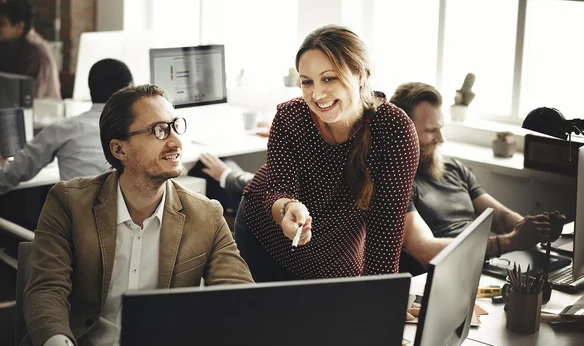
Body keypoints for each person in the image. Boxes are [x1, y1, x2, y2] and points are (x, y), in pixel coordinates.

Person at [9, 84, 254, 346]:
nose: (175, 141)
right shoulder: (68, 203)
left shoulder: (206, 214)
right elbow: (46, 290)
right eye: (159, 130)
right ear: (119, 149)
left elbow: (239, 300)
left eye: (175, 126)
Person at [235, 25, 420, 282]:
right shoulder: (291, 116)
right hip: (266, 239)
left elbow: (386, 230)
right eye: (306, 82)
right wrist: (288, 207)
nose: (317, 94)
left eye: (329, 78)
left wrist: (385, 300)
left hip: (336, 258)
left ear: (361, 75)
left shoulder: (393, 129)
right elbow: (277, 189)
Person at [389, 81, 558, 274]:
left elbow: (500, 217)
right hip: (444, 277)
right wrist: (509, 242)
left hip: (479, 268)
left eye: (440, 128)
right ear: (402, 131)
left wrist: (534, 228)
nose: (441, 139)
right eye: (430, 130)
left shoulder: (453, 168)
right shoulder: (396, 182)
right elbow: (425, 251)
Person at [0, 58, 133, 195]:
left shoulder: (63, 130)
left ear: (90, 88)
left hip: (77, 222)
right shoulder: (138, 132)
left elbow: (2, 180)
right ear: (127, 91)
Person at [0, 0, 61, 99]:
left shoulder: (36, 52)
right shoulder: (0, 45)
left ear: (20, 26)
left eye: (1, 23)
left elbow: (30, 99)